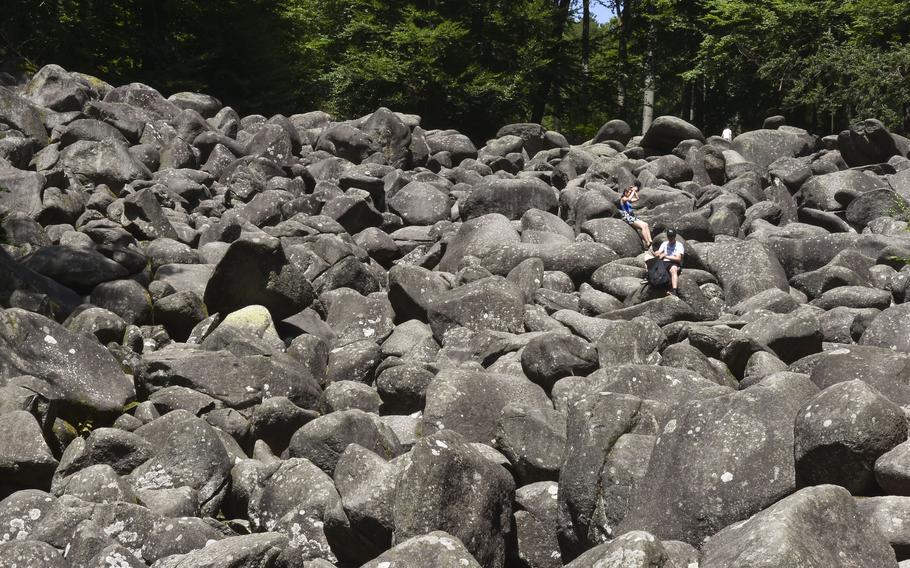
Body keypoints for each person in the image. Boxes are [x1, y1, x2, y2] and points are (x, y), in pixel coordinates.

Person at [619, 181, 652, 247]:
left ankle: (650, 240)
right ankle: (647, 242)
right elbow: (628, 198)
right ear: (625, 193)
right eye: (629, 192)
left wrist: (635, 192)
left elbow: (637, 198)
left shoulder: (628, 199)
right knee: (642, 227)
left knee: (646, 224)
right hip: (627, 217)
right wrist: (633, 191)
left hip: (631, 217)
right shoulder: (623, 199)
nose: (630, 193)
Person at [655, 228, 684, 296]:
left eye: (672, 236)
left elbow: (678, 258)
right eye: (669, 236)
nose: (670, 238)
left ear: (675, 236)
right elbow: (658, 253)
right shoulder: (665, 244)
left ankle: (674, 290)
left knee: (673, 270)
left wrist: (665, 256)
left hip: (674, 262)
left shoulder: (679, 245)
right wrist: (657, 253)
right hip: (664, 262)